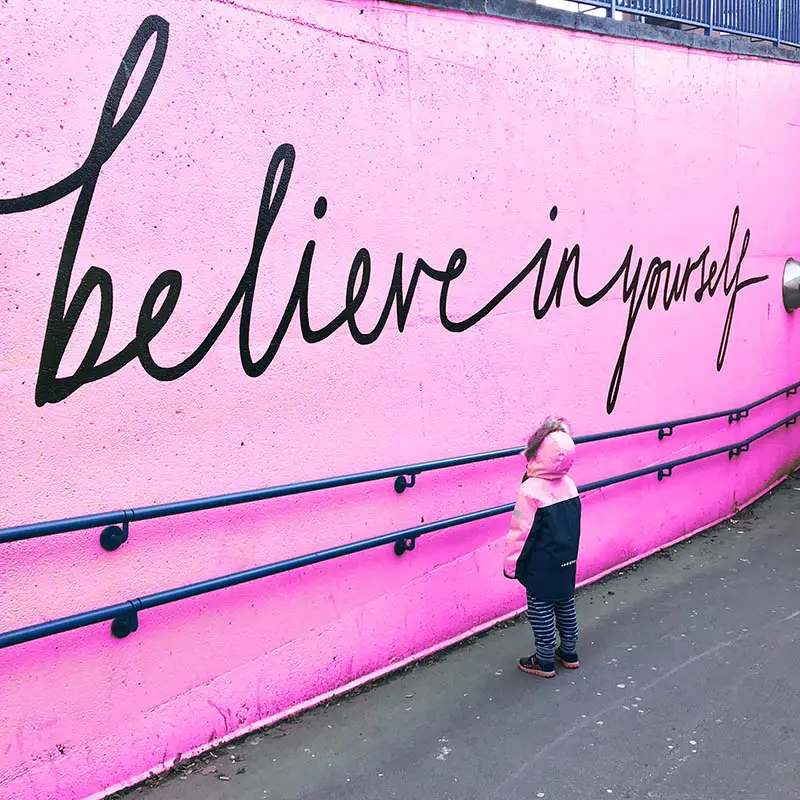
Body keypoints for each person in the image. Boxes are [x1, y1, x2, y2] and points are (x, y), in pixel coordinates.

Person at [503, 418, 582, 678]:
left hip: (541, 565)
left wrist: (511, 565)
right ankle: (569, 652)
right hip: (566, 561)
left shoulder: (530, 490)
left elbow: (521, 532)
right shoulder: (570, 485)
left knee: (540, 610)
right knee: (565, 604)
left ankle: (544, 659)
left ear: (536, 452)